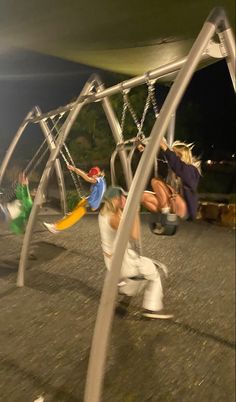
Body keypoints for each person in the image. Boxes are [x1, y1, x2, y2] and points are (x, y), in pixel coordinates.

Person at [98, 186, 173, 319]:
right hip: (122, 262)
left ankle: (124, 293)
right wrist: (135, 211)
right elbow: (135, 235)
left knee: (141, 273)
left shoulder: (103, 214)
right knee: (156, 272)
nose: (125, 199)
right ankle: (152, 308)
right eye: (122, 197)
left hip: (114, 261)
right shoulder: (114, 218)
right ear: (116, 199)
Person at [140, 139, 201, 220]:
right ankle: (164, 214)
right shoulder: (171, 170)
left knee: (156, 182)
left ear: (181, 156)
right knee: (142, 196)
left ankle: (165, 214)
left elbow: (179, 166)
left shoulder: (191, 171)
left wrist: (165, 147)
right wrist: (144, 152)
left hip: (184, 209)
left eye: (174, 154)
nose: (171, 156)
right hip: (171, 205)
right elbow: (156, 163)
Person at [43, 164, 106, 233]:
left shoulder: (99, 180)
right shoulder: (100, 178)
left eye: (92, 176)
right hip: (88, 200)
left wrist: (74, 169)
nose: (91, 176)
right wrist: (74, 169)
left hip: (91, 205)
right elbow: (86, 174)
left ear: (95, 175)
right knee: (72, 213)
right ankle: (56, 224)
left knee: (74, 216)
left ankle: (56, 228)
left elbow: (87, 178)